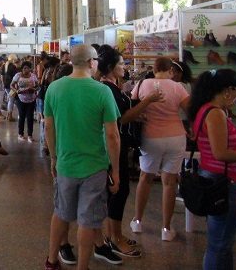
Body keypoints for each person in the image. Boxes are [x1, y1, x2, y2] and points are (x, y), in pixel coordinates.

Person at [44, 45, 121, 270]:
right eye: (95, 60)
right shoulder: (102, 91)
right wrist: (115, 170)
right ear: (90, 62)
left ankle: (51, 260)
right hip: (95, 166)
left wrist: (53, 158)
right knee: (88, 221)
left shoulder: (55, 89)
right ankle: (82, 267)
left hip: (66, 164)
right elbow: (112, 135)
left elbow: (49, 126)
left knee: (61, 212)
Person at [188, 69, 236, 270]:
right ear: (227, 90)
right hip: (223, 182)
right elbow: (221, 153)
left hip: (216, 178)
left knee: (221, 242)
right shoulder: (214, 113)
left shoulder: (206, 109)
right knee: (220, 243)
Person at [98, 45, 164, 259]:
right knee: (118, 190)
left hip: (119, 144)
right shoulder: (107, 88)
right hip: (113, 148)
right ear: (110, 67)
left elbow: (124, 113)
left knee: (118, 192)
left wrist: (137, 113)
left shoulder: (112, 87)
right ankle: (114, 238)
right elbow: (120, 119)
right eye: (120, 64)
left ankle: (113, 234)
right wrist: (147, 101)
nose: (124, 67)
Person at [130, 57, 190, 241]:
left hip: (151, 137)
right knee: (170, 182)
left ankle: (138, 221)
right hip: (176, 137)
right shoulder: (178, 87)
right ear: (170, 70)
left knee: (145, 178)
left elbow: (133, 108)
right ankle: (166, 228)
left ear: (154, 69)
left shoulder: (142, 85)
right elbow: (190, 110)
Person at [11, 61, 39, 142]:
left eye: (28, 68)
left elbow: (37, 86)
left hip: (31, 99)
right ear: (22, 68)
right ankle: (20, 134)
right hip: (20, 99)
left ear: (30, 68)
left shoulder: (33, 76)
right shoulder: (18, 75)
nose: (26, 70)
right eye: (24, 68)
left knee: (30, 117)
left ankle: (30, 135)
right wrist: (16, 91)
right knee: (22, 116)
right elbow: (11, 85)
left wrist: (34, 89)